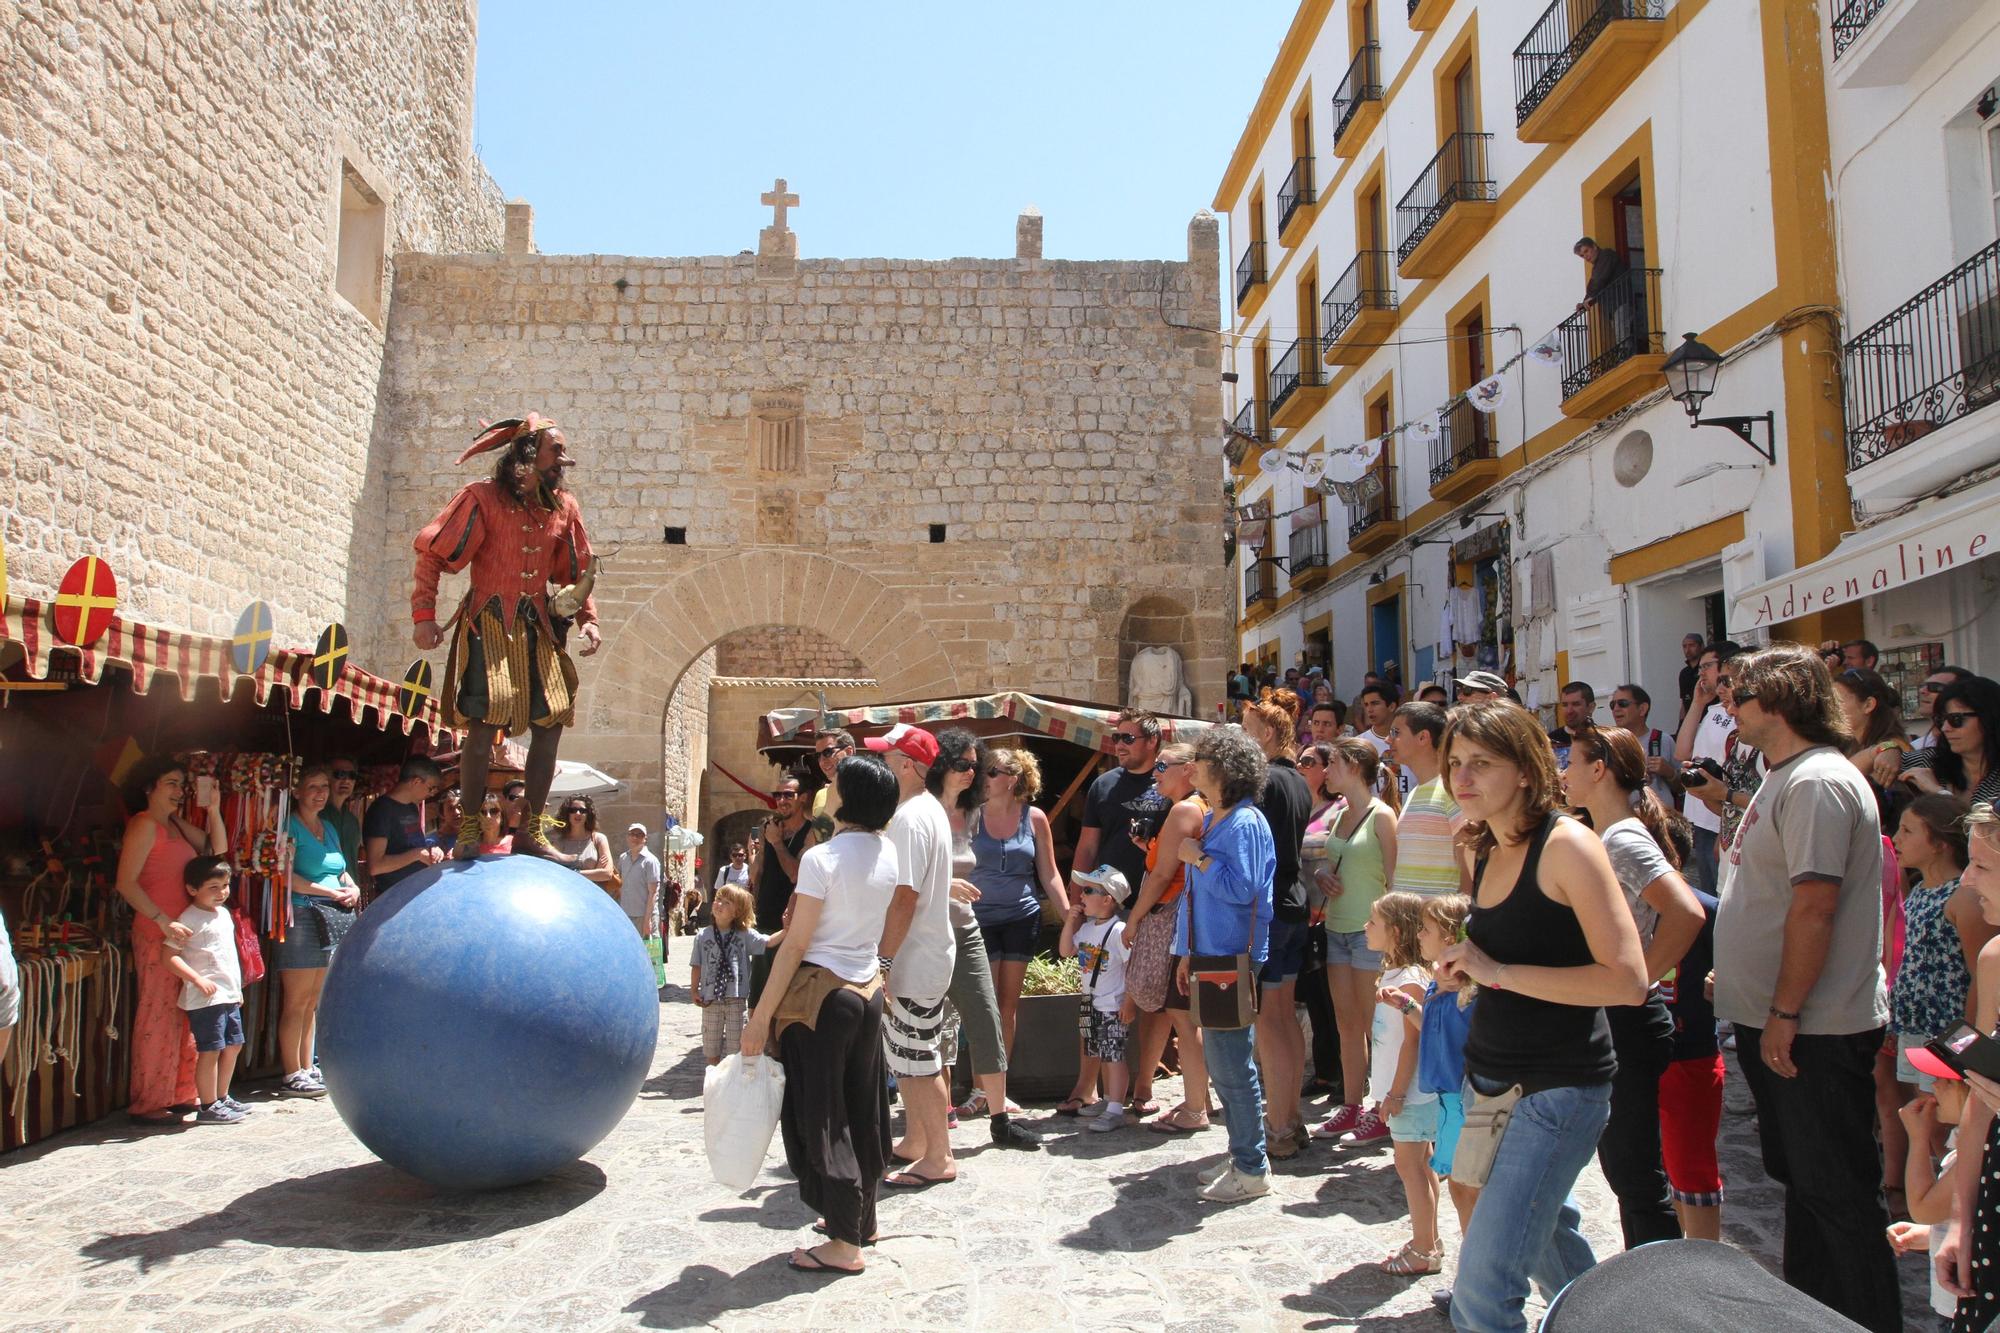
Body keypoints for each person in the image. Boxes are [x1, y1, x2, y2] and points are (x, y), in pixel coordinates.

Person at [1433, 702, 1647, 1333]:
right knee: (1562, 1270)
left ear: (1525, 770)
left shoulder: (1569, 846)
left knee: (1482, 1294)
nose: (1462, 778)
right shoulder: (1484, 843)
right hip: (1491, 1081)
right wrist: (1469, 968)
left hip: (1554, 1090)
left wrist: (1494, 971)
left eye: (1481, 764)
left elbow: (1629, 981)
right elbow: (1515, 954)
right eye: (1454, 764)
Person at [1711, 643, 1900, 1331]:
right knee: (1808, 1191)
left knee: (1839, 1195)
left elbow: (1815, 905)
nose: (1729, 705)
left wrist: (1785, 1008)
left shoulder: (1817, 780)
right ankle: (1819, 1317)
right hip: (1787, 1022)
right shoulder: (1790, 773)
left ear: (1782, 701)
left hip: (1815, 1028)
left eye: (1741, 692)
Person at [410, 414, 603, 857]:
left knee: (552, 719)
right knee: (485, 725)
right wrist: (424, 615)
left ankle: (531, 831)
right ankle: (470, 831)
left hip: (538, 625)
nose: (564, 461)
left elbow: (578, 572)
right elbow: (432, 554)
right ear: (528, 452)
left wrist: (587, 618)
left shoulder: (564, 506)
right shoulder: (481, 498)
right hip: (489, 622)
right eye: (557, 452)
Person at [740, 753, 901, 1275]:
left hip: (822, 999)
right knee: (863, 1109)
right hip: (868, 991)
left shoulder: (822, 859)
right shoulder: (888, 853)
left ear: (847, 800)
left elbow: (797, 947)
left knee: (822, 1116)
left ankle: (843, 1244)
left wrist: (759, 1018)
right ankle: (861, 1220)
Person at [1561, 726, 1706, 1249]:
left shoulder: (1622, 836)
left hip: (1629, 1018)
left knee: (1636, 1174)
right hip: (1614, 1015)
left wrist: (1639, 979)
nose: (1563, 772)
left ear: (1599, 770)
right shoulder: (1605, 832)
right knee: (1627, 1170)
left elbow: (1686, 912)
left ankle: (1657, 1292)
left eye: (1571, 762)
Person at [1177, 725, 1277, 1203]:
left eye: (1201, 761)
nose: (1192, 769)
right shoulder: (1221, 818)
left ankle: (1252, 1166)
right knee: (1226, 1065)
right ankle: (1243, 1154)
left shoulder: (1244, 823)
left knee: (1233, 1067)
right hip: (1212, 956)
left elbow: (1243, 889)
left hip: (1232, 958)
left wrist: (1198, 859)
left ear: (1224, 770)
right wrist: (1185, 952)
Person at [927, 729, 1040, 1150]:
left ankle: (998, 1115)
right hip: (930, 930)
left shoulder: (972, 812)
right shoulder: (924, 812)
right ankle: (935, 1113)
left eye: (977, 766)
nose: (972, 772)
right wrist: (944, 886)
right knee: (936, 1020)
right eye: (964, 765)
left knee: (989, 1014)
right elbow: (903, 879)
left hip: (969, 926)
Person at [112, 756, 229, 1125]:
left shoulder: (175, 824)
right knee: (158, 1015)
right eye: (171, 784)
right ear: (150, 787)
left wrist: (213, 810)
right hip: (158, 930)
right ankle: (150, 1099)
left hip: (183, 932)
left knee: (185, 1014)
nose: (179, 791)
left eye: (182, 784)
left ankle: (181, 1092)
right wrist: (162, 921)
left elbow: (217, 850)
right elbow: (126, 883)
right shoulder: (144, 825)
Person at [867, 723, 959, 1190]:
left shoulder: (908, 818)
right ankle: (917, 1140)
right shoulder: (927, 811)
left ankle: (939, 1154)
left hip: (913, 957)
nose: (880, 764)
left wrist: (882, 962)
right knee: (907, 1052)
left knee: (916, 1057)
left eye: (886, 757)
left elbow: (904, 896)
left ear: (906, 764)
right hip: (925, 952)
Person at [1309, 737, 1398, 1148]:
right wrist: (1322, 877)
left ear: (1356, 767)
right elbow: (1329, 865)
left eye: (1335, 763)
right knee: (1347, 1024)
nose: (1326, 770)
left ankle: (1380, 1108)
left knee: (1371, 1023)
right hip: (1336, 928)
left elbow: (1394, 881)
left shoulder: (1382, 817)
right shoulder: (1339, 813)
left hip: (1368, 932)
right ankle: (1351, 1104)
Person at [1124, 742, 1212, 1133]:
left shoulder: (1183, 809)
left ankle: (1197, 1105)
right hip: (1185, 916)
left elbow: (1161, 877)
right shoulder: (1196, 807)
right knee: (1177, 1011)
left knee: (1179, 1013)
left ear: (1188, 769)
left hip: (1172, 918)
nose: (1155, 772)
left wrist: (1134, 920)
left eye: (1163, 765)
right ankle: (1199, 1098)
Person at [1935, 801, 2000, 1328]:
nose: (1968, 878)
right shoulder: (1995, 957)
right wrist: (1961, 1220)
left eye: (1981, 866)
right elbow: (1981, 1101)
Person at [1241, 690, 1314, 1155]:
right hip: (1294, 903)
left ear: (1267, 733)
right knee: (1284, 1017)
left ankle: (1281, 1125)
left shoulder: (1267, 782)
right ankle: (1290, 1116)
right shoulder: (1301, 780)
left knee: (1270, 1022)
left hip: (1270, 908)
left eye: (1248, 730)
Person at [969, 744, 1068, 1063]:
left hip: (1021, 916)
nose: (985, 777)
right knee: (984, 1003)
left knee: (1007, 1004)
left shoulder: (1034, 818)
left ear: (1012, 779)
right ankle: (980, 1085)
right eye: (985, 770)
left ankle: (1000, 1081)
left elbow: (1049, 872)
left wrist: (1069, 916)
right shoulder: (971, 815)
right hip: (979, 916)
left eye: (992, 772)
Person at [1367, 891, 1443, 1276]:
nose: (1366, 928)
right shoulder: (1398, 973)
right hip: (1406, 1091)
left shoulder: (1410, 981)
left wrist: (1396, 1093)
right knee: (1421, 1164)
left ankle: (1424, 1249)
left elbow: (1413, 1041)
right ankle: (1429, 1239)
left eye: (1374, 922)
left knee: (1409, 1166)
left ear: (1395, 931)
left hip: (1410, 1092)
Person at [1890, 795, 1987, 1093]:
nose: (1896, 838)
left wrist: (1964, 1047)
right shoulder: (1918, 889)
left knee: (1942, 1118)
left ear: (1940, 843)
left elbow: (1979, 979)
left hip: (1948, 1032)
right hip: (1915, 1029)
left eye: (1908, 831)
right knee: (1920, 1113)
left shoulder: (1964, 897)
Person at [281, 764, 360, 1098]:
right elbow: (286, 877)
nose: (319, 793)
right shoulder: (289, 827)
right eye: (312, 786)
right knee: (296, 999)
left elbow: (340, 869)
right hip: (302, 912)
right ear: (297, 791)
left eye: (323, 787)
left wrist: (353, 887)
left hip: (330, 915)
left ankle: (308, 1065)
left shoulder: (327, 826)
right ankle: (291, 1071)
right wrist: (329, 893)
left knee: (315, 998)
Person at [1415, 893, 1478, 1307]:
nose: (1418, 935)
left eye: (1425, 929)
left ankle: (1474, 1281)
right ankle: (1472, 1278)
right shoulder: (1438, 984)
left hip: (1463, 1099)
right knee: (1460, 1187)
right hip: (1446, 1098)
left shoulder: (1469, 993)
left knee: (1465, 1188)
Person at [162, 856, 248, 1125]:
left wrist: (236, 988)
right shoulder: (189, 918)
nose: (222, 893)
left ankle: (222, 1096)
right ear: (192, 889)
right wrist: (196, 979)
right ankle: (208, 1104)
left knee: (234, 1044)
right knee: (211, 1049)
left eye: (225, 886)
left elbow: (227, 955)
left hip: (228, 993)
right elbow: (169, 956)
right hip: (206, 997)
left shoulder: (223, 914)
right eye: (213, 887)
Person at [1060, 865, 1135, 1132]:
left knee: (1114, 1055)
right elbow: (1066, 950)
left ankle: (1116, 1108)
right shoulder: (1088, 929)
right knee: (1102, 1053)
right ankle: (1107, 1100)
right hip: (1091, 1002)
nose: (1082, 895)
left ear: (1108, 899)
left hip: (1112, 1004)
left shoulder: (1118, 931)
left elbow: (1131, 968)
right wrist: (1070, 921)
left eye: (1089, 890)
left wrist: (1129, 1002)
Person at [1073, 708, 1165, 898]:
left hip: (1161, 900)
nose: (1120, 746)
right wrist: (1076, 902)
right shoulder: (1103, 785)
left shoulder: (1170, 782)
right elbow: (1087, 848)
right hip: (1108, 902)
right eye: (1116, 738)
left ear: (1152, 740)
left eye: (1128, 739)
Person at [1673, 639, 1741, 893]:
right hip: (1701, 818)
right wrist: (1698, 704)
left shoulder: (1740, 712)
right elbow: (1682, 752)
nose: (1701, 672)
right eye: (1699, 667)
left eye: (1707, 666)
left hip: (1723, 818)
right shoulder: (1712, 710)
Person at [1388, 702, 1466, 899]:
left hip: (1439, 923)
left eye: (1396, 732)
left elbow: (1468, 860)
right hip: (1412, 925)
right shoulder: (1415, 792)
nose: (1389, 740)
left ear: (1423, 737)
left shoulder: (1452, 790)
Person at [692, 883, 770, 1065]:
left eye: (726, 902)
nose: (719, 904)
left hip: (736, 998)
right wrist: (694, 990)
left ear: (737, 912)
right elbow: (696, 965)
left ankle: (732, 1081)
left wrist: (790, 930)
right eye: (718, 899)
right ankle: (713, 1080)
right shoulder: (703, 936)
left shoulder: (744, 935)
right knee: (711, 1045)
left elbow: (768, 942)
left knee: (735, 1046)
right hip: (711, 998)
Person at [1900, 675, 2000, 806]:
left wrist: (1938, 793)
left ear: (1988, 718)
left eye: (1956, 719)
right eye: (1941, 720)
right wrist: (1887, 749)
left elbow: (1980, 826)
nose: (1945, 728)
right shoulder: (1929, 760)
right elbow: (1866, 773)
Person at [1836, 667, 1913, 829]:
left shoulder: (1896, 747)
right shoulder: (1848, 744)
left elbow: (1840, 778)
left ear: (1868, 705)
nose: (1832, 708)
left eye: (1839, 701)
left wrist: (1884, 749)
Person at [363, 757, 445, 891]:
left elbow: (411, 847)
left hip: (415, 891)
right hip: (393, 897)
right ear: (416, 781)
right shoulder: (382, 810)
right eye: (431, 788)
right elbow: (375, 866)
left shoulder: (412, 807)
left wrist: (430, 852)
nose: (432, 794)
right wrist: (417, 854)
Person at [1607, 684, 1677, 809]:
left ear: (1642, 709)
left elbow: (1683, 787)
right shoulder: (1608, 743)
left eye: (1622, 703)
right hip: (1624, 820)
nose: (1616, 709)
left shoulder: (1663, 740)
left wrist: (1669, 772)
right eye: (1612, 705)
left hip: (1661, 820)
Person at [1357, 682, 1408, 808]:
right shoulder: (1360, 743)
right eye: (1366, 705)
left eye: (1375, 703)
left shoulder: (1411, 740)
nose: (1369, 709)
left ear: (1391, 706)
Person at [550, 794, 615, 890]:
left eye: (582, 810)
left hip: (593, 895)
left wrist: (574, 873)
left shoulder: (599, 839)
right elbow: (555, 873)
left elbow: (607, 874)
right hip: (567, 893)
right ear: (567, 814)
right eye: (573, 810)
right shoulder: (559, 842)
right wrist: (596, 871)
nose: (578, 813)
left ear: (588, 814)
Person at [619, 823, 663, 945]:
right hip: (626, 913)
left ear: (645, 838)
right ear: (627, 837)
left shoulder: (650, 861)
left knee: (650, 955)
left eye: (639, 835)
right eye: (632, 834)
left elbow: (653, 892)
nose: (635, 838)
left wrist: (647, 920)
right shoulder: (623, 858)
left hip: (643, 915)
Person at [809, 729, 857, 841]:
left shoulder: (871, 791)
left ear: (849, 752)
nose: (822, 761)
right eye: (818, 756)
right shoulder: (821, 795)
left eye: (827, 753)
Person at [325, 759, 363, 875]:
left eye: (352, 776)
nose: (346, 780)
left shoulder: (352, 820)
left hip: (351, 888)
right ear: (327, 778)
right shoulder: (316, 815)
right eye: (340, 774)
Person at [1547, 682, 1595, 771]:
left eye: (1576, 704)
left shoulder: (1601, 739)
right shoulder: (1549, 741)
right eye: (1565, 705)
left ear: (1591, 707)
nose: (1569, 711)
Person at [1677, 632, 1705, 726]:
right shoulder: (1684, 673)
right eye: (1684, 646)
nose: (1688, 650)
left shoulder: (1706, 669)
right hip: (1691, 722)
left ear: (1701, 646)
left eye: (1692, 645)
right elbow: (1684, 703)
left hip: (1706, 720)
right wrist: (1681, 725)